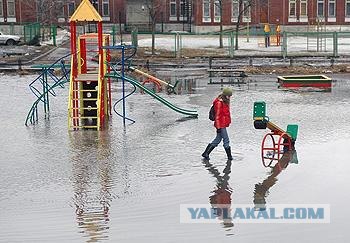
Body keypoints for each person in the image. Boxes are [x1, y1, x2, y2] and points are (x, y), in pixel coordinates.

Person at [202, 87, 233, 160]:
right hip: (220, 124)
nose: (230, 97)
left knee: (217, 139)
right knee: (226, 140)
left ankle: (206, 153)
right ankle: (229, 157)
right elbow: (217, 116)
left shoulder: (225, 101)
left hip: (223, 123)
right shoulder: (219, 103)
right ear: (225, 95)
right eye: (229, 96)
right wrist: (218, 128)